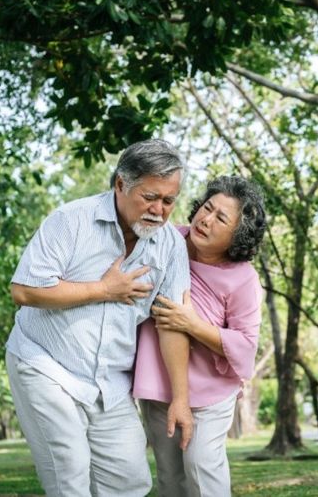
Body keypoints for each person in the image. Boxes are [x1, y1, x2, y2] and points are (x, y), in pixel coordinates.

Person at [5, 139, 191, 497]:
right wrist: (104, 289)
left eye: (169, 201)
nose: (159, 210)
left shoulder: (170, 246)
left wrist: (180, 398)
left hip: (110, 382)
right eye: (150, 197)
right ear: (121, 184)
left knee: (130, 479)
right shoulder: (70, 220)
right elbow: (24, 291)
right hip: (46, 365)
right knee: (69, 471)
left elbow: (172, 323)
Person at [133, 175, 266, 497]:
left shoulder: (243, 279)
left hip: (211, 393)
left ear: (237, 235)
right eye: (207, 208)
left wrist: (191, 324)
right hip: (160, 385)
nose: (205, 220)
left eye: (221, 218)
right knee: (170, 478)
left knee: (202, 469)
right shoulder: (167, 240)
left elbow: (246, 346)